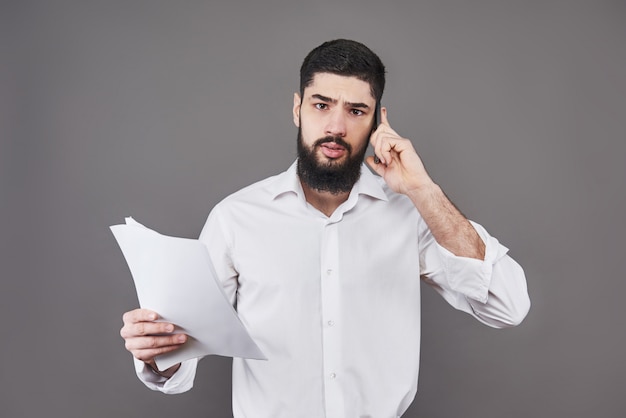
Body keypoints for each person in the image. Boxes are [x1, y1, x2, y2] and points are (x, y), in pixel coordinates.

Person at [120, 39, 530, 417]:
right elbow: (179, 360)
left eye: (356, 111)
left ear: (378, 122)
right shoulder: (236, 218)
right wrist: (154, 350)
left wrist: (423, 189)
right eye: (321, 105)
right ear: (297, 108)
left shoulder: (412, 213)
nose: (336, 127)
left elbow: (508, 306)